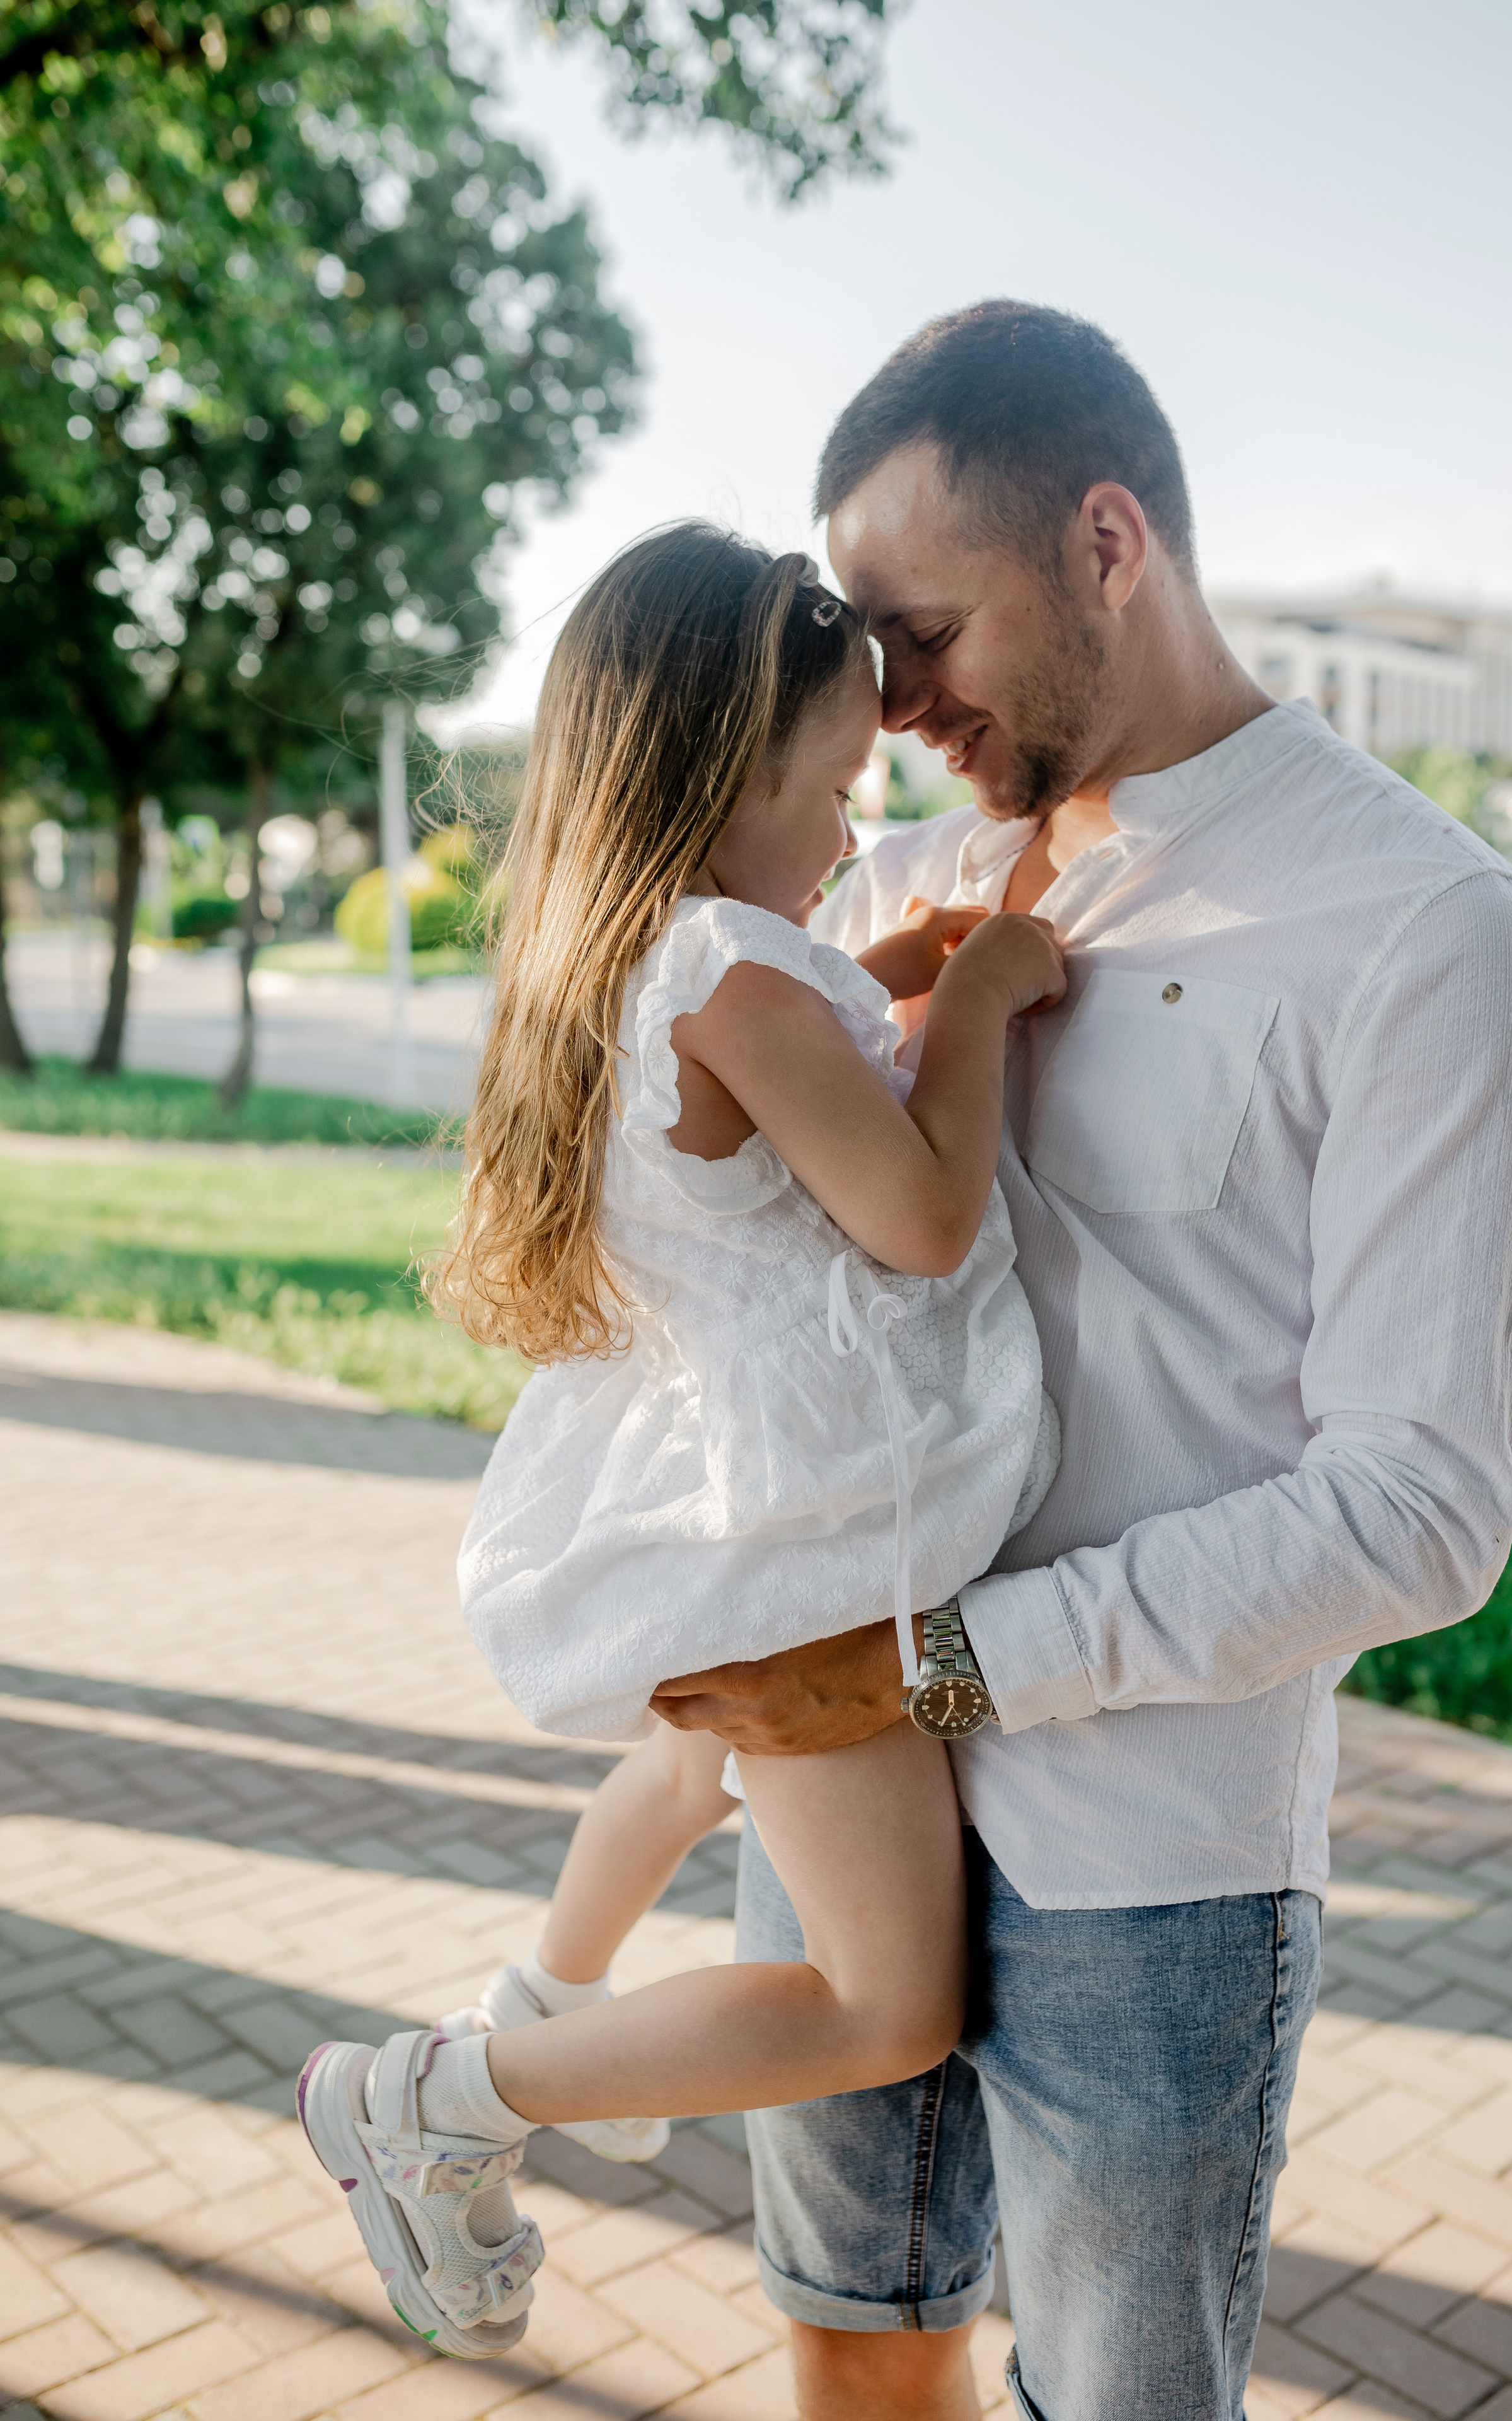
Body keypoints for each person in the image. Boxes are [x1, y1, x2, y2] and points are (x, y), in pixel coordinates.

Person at [645, 303, 1512, 2421]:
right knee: (847, 2337)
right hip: (831, 1788)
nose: (886, 709)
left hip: (1148, 1862)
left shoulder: (1431, 935)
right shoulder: (884, 880)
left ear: (1106, 544)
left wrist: (933, 1664)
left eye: (922, 634)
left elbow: (1418, 1515)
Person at [296, 525, 1068, 2360]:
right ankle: (447, 2094)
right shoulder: (731, 963)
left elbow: (746, 1114)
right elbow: (918, 1215)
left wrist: (866, 979)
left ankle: (547, 2002)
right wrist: (975, 998)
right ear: (725, 766)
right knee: (891, 2006)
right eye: (833, 784)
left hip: (706, 1504)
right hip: (806, 1536)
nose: (851, 827)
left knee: (686, 1769)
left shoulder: (632, 953)